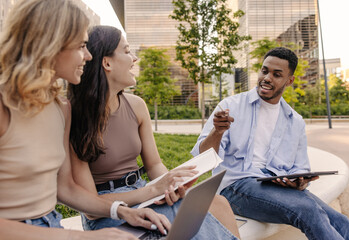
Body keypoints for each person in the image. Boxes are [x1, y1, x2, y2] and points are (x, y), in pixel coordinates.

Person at [0, 1, 170, 239]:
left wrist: (122, 212)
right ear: (51, 45)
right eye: (81, 46)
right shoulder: (3, 107)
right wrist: (81, 237)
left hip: (51, 223)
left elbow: (66, 188)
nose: (88, 55)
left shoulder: (61, 109)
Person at [67, 25, 240, 239]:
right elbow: (90, 206)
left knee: (218, 204)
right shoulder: (73, 115)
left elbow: (154, 165)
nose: (135, 58)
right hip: (106, 206)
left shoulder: (136, 106)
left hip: (144, 191)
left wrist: (171, 185)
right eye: (128, 51)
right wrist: (154, 190)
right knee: (177, 221)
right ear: (107, 62)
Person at [191, 47, 349, 240]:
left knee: (341, 222)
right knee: (307, 210)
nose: (267, 78)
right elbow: (202, 157)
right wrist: (217, 131)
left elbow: (300, 168)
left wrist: (299, 183)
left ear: (289, 80)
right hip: (236, 185)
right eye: (264, 71)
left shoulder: (294, 121)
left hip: (276, 188)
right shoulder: (230, 106)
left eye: (277, 74)